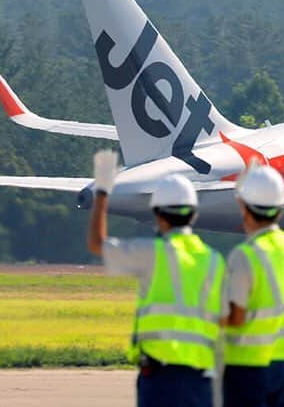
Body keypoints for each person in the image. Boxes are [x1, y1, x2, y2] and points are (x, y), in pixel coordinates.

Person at [87, 150, 225, 407]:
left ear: (157, 214)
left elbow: (97, 244)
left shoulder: (151, 254)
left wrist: (103, 192)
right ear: (194, 214)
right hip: (201, 377)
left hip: (159, 377)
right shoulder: (213, 260)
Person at [223, 162, 284, 407]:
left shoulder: (244, 255)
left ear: (245, 209)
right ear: (281, 208)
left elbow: (236, 317)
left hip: (248, 367)